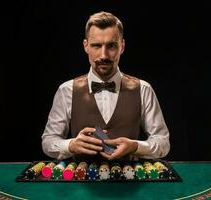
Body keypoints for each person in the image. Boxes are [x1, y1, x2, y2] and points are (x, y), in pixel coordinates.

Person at [41, 11, 170, 161]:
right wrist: (71, 145)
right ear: (86, 46)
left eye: (111, 46)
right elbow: (48, 141)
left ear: (122, 46)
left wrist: (135, 146)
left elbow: (163, 142)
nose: (103, 55)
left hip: (130, 181)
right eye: (96, 46)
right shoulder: (66, 90)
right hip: (81, 182)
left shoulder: (143, 89)